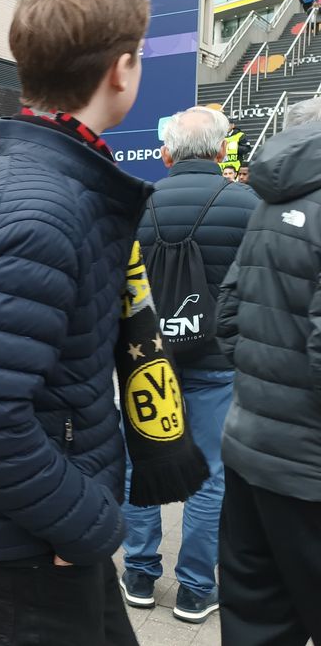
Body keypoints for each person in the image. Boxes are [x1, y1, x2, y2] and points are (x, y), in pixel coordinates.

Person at [0, 0, 151, 642]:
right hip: (27, 538)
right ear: (120, 69)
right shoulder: (44, 210)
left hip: (31, 519)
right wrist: (82, 520)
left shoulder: (11, 172)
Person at [120, 106, 258, 624]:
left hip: (146, 358)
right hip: (218, 362)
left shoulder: (137, 205)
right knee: (212, 477)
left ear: (166, 153)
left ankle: (138, 573)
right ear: (222, 151)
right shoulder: (246, 204)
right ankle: (197, 590)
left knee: (138, 462)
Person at [215, 97, 321, 645]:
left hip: (250, 451)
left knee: (256, 624)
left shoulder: (269, 201)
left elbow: (228, 320)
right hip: (308, 473)